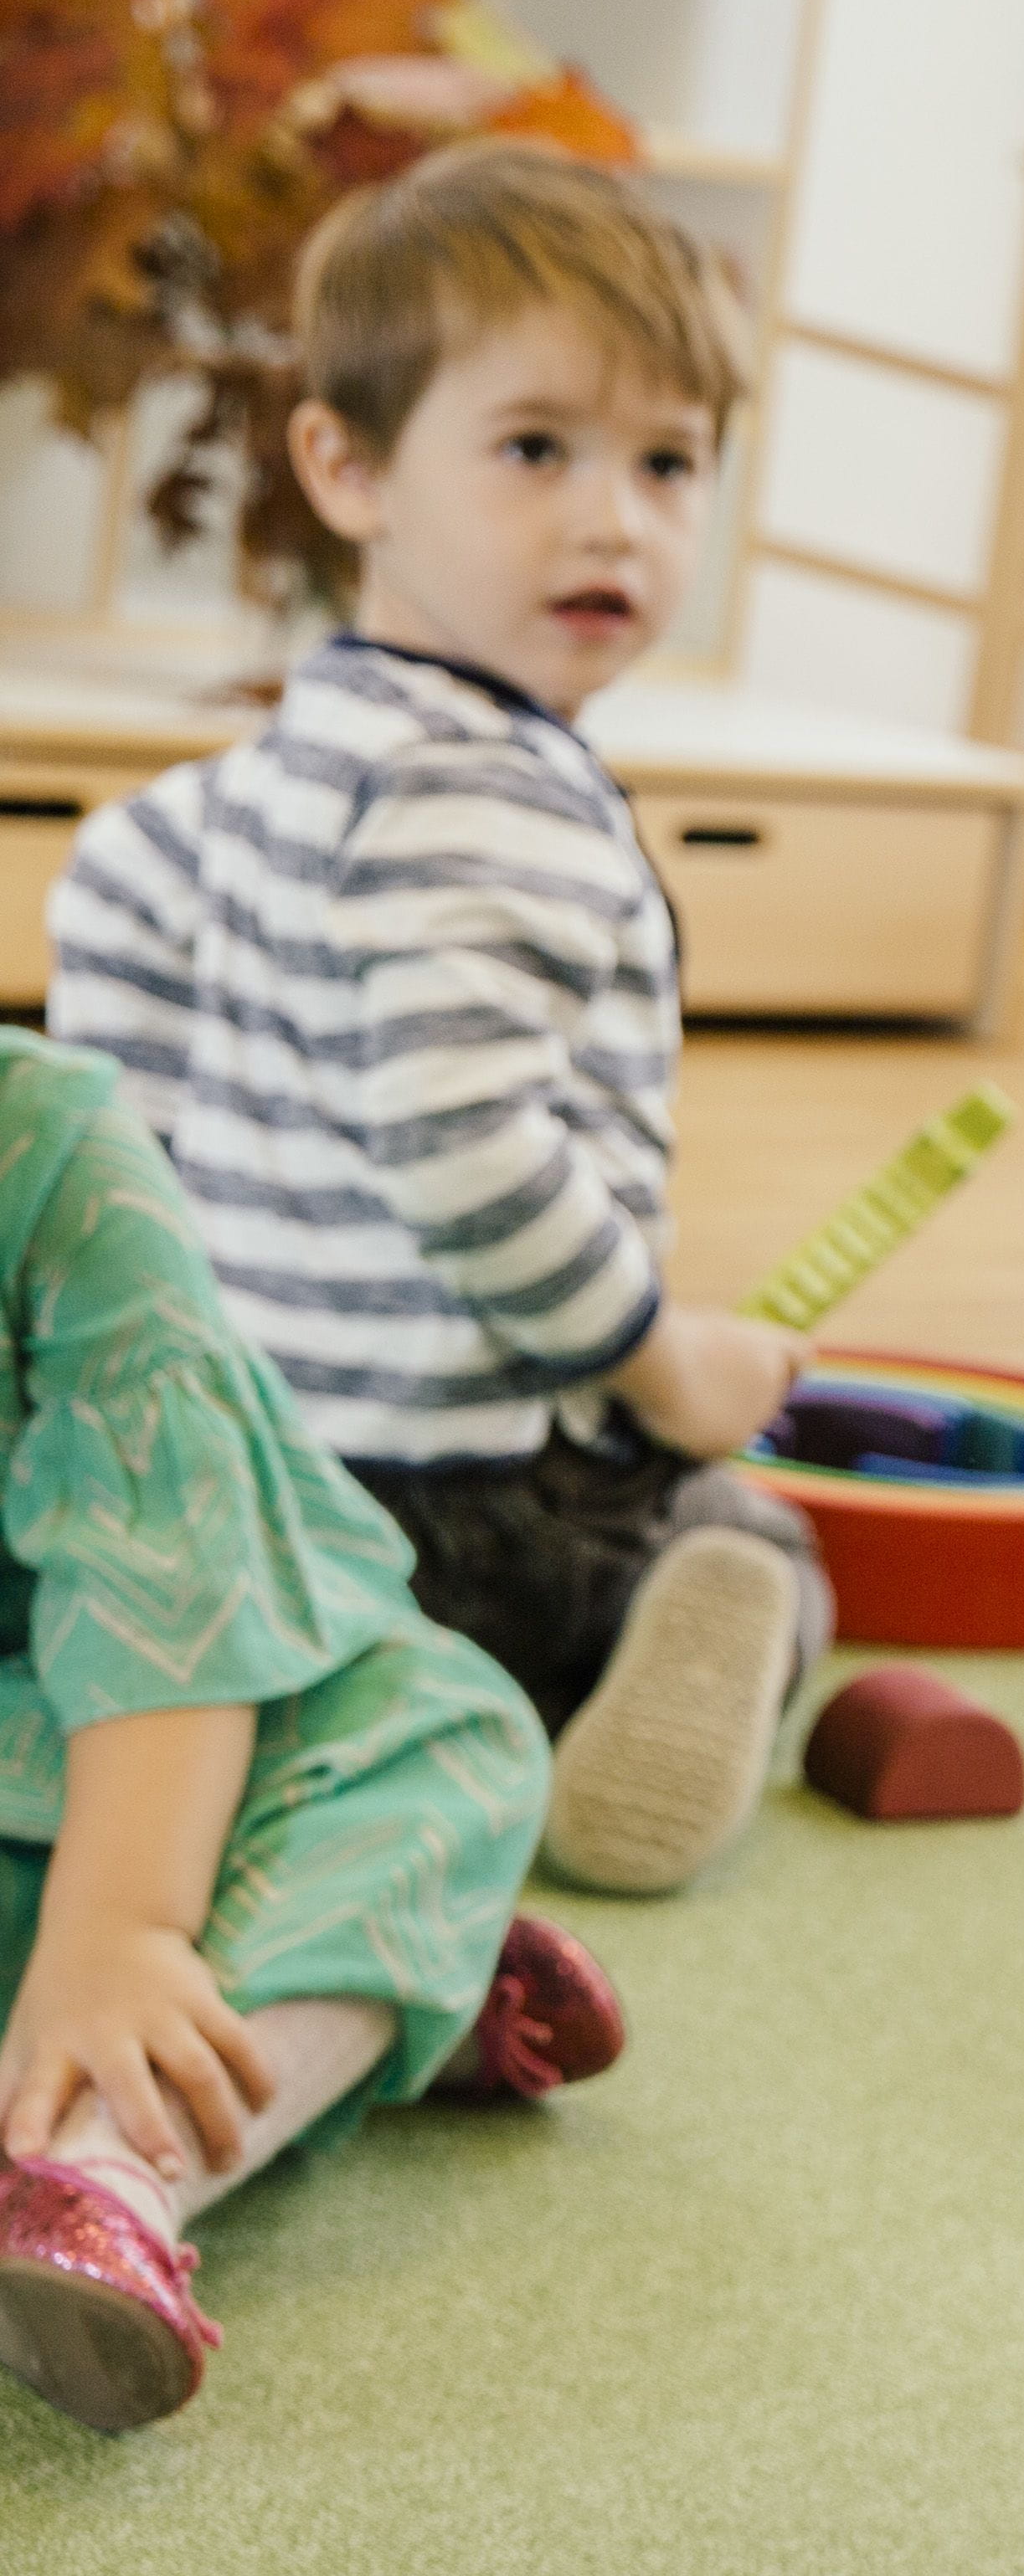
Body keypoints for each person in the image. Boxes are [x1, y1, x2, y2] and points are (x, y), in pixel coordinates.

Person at [52, 143, 832, 1901]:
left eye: (669, 462)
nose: (615, 519)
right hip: (469, 1493)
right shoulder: (501, 799)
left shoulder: (227, 793)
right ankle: (597, 1665)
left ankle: (258, 1700)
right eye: (536, 449)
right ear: (347, 467)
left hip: (247, 1480)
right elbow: (468, 1148)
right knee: (750, 1530)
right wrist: (664, 1358)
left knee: (259, 1637)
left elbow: (109, 1012)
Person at [0, 1029, 612, 2435]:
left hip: (164, 1723)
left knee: (449, 1743)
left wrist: (124, 1927)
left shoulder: (54, 1149)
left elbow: (171, 1579)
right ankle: (368, 1986)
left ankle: (98, 2172)